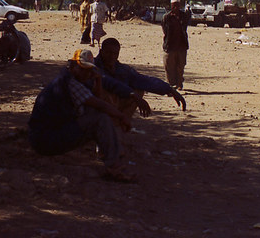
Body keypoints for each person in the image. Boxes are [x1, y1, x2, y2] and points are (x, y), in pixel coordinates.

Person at [27, 49, 134, 182]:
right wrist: (122, 116)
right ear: (73, 66)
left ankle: (111, 155)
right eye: (82, 69)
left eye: (89, 70)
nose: (86, 73)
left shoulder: (72, 79)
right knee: (101, 119)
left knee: (98, 115)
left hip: (46, 136)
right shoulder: (70, 83)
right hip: (46, 140)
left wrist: (98, 81)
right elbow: (100, 105)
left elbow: (97, 101)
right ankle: (114, 167)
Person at [94, 38, 186, 124]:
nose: (112, 56)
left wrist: (169, 89)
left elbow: (144, 80)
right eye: (109, 53)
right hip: (93, 108)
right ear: (101, 52)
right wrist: (132, 95)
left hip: (113, 106)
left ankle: (119, 124)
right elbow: (109, 82)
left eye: (115, 53)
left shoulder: (121, 69)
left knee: (138, 89)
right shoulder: (93, 67)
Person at [162, 0, 189, 90]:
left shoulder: (184, 16)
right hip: (170, 46)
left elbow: (185, 27)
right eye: (174, 6)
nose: (176, 8)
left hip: (181, 45)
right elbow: (164, 30)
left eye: (177, 5)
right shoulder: (167, 17)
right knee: (169, 66)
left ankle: (179, 83)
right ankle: (170, 85)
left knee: (180, 66)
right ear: (171, 6)